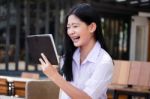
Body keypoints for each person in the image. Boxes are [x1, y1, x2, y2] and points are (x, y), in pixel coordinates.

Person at [39, 3, 113, 99]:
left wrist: (54, 75)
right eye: (68, 27)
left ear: (92, 27)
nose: (70, 31)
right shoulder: (69, 55)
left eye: (75, 26)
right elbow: (63, 91)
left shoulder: (104, 62)